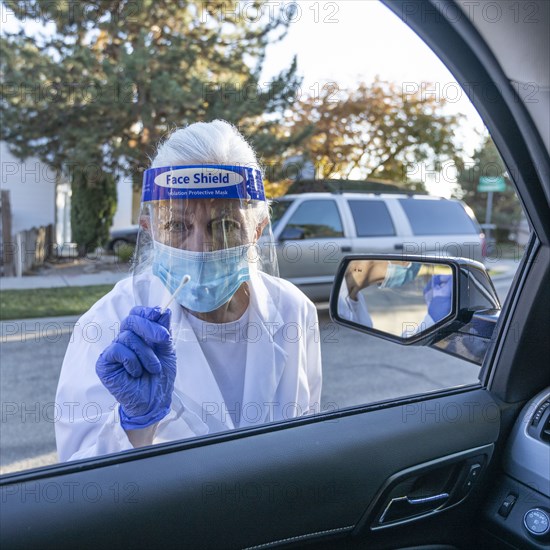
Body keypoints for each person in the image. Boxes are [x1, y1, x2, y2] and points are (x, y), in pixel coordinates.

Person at [55, 120, 322, 462]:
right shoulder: (105, 325)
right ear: (150, 230)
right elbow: (79, 486)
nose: (200, 249)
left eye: (225, 225)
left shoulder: (294, 310)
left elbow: (311, 443)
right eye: (177, 225)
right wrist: (134, 426)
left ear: (257, 230)